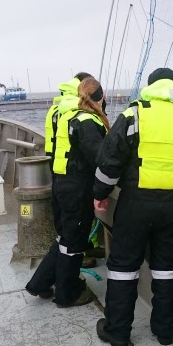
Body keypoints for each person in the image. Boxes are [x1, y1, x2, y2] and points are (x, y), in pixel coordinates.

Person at [93, 68, 173, 346]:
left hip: (135, 204)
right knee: (167, 269)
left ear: (151, 87)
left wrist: (99, 194)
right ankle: (166, 331)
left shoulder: (134, 115)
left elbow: (109, 160)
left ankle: (118, 332)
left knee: (123, 268)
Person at [26, 77, 110, 307]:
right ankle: (67, 294)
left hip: (62, 184)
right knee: (74, 244)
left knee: (66, 239)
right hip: (78, 190)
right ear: (99, 97)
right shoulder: (87, 121)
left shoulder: (69, 116)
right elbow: (101, 159)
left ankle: (40, 283)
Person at [43, 72, 99, 271]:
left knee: (67, 233)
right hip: (75, 178)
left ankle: (41, 282)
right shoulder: (80, 115)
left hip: (59, 171)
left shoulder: (58, 108)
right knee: (71, 235)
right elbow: (93, 152)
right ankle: (67, 286)